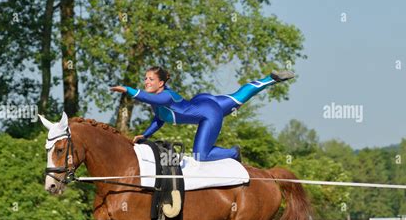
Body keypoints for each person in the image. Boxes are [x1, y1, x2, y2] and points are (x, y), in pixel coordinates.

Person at [110, 66, 294, 162]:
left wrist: (126, 89)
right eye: (145, 79)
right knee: (238, 96)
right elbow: (160, 119)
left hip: (208, 114)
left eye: (151, 79)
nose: (146, 82)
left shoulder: (163, 97)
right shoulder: (159, 102)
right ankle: (269, 79)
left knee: (201, 156)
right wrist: (146, 134)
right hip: (204, 102)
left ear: (161, 84)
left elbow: (145, 98)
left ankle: (233, 152)